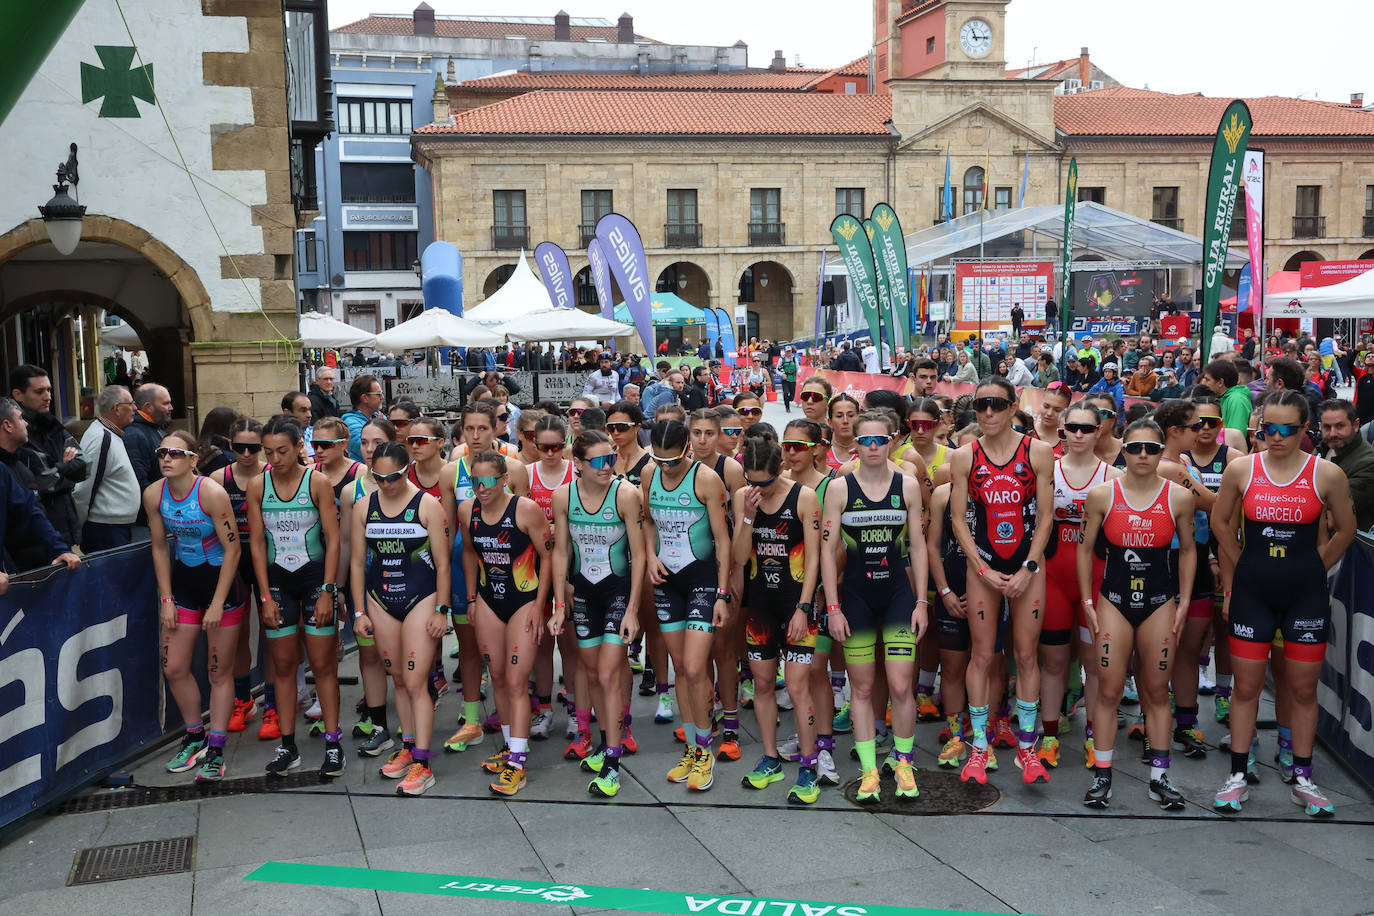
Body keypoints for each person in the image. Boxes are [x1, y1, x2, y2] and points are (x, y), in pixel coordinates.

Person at [1211, 390, 1355, 816]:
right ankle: (1238, 775)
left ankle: (1303, 778)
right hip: (1254, 594)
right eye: (1266, 429)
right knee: (1248, 687)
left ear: (1303, 430)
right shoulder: (1242, 469)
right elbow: (1220, 522)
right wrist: (1242, 563)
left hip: (1304, 597)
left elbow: (1345, 530)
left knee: (1302, 688)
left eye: (1285, 430)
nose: (1274, 437)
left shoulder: (1326, 474)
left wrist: (1315, 565)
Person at [1076, 417, 1195, 810]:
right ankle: (1103, 776)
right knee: (1109, 690)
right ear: (1123, 450)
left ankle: (1159, 779)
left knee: (1158, 692)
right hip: (1114, 600)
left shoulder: (1178, 496)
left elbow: (1190, 550)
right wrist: (1087, 603)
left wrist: (1184, 601)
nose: (1143, 455)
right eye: (1135, 447)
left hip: (1159, 601)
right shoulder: (1102, 495)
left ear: (1163, 452)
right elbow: (1083, 549)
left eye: (1152, 448)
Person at [948, 376, 1055, 786]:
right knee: (982, 657)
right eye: (980, 406)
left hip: (1029, 565)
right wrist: (982, 568)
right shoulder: (965, 456)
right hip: (984, 566)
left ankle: (1027, 750)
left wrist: (1028, 567)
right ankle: (979, 747)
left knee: (1026, 656)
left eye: (996, 404)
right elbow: (958, 519)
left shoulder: (1038, 451)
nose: (988, 412)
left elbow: (1045, 516)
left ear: (1013, 407)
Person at [820, 409, 929, 801]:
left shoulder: (909, 485)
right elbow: (827, 552)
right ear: (855, 444)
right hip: (857, 598)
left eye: (879, 440)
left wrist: (921, 602)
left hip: (899, 594)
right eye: (863, 440)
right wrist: (833, 608)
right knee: (862, 688)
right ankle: (869, 771)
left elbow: (917, 546)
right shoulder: (840, 488)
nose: (871, 447)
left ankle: (903, 762)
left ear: (893, 440)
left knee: (901, 684)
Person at [548, 430, 646, 797]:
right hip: (584, 594)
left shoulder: (625, 494)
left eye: (613, 458)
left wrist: (633, 611)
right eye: (601, 461)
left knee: (606, 674)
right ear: (579, 465)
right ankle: (605, 745)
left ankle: (612, 760)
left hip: (618, 592)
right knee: (589, 672)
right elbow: (561, 552)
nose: (609, 466)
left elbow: (639, 556)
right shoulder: (564, 496)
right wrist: (560, 604)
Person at [145, 429, 246, 782]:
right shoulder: (154, 494)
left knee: (218, 672)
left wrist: (218, 603)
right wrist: (167, 598)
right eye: (161, 453)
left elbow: (233, 549)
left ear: (192, 460)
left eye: (175, 453)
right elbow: (159, 547)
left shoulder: (211, 494)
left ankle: (216, 749)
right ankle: (195, 736)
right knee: (173, 667)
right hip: (184, 582)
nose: (166, 459)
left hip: (222, 583)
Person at [247, 416, 343, 778]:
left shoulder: (316, 482)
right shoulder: (259, 485)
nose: (275, 458)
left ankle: (333, 744)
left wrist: (329, 590)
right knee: (284, 666)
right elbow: (256, 542)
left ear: (298, 447)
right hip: (277, 582)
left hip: (315, 579)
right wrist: (263, 596)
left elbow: (333, 539)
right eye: (268, 452)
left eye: (282, 451)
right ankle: (288, 745)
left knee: (323, 665)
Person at [352, 441, 450, 796]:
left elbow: (442, 563)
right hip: (381, 599)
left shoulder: (427, 505)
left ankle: (423, 764)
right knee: (397, 675)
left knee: (414, 679)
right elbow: (356, 563)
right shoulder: (364, 506)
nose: (385, 484)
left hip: (420, 598)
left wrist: (442, 609)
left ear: (406, 471)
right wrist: (359, 610)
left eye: (392, 477)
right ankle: (408, 746)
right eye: (378, 478)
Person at [642, 419, 733, 792]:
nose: (665, 468)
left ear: (688, 452)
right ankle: (694, 747)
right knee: (680, 667)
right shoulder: (650, 475)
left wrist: (723, 593)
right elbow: (647, 521)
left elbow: (723, 541)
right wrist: (649, 556)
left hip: (701, 579)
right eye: (659, 462)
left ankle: (705, 749)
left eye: (672, 462)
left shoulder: (706, 479)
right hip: (667, 580)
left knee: (696, 667)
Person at [732, 436, 824, 802]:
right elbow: (740, 557)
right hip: (761, 607)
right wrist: (748, 518)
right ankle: (770, 758)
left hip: (796, 603)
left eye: (765, 483)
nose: (757, 489)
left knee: (798, 686)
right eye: (751, 481)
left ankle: (808, 764)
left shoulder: (804, 497)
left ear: (781, 470)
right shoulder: (744, 498)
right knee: (764, 683)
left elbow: (814, 559)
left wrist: (804, 609)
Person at [459, 450, 552, 796]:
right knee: (496, 675)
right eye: (474, 482)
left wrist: (540, 607)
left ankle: (517, 762)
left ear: (503, 480)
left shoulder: (525, 509)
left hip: (523, 600)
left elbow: (547, 555)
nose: (480, 489)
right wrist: (471, 597)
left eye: (487, 482)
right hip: (488, 598)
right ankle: (513, 745)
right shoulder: (467, 510)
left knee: (515, 680)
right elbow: (469, 552)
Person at [9, 366, 86, 548]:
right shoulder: (16, 433)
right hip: (39, 539)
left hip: (67, 528)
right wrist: (65, 468)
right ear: (18, 394)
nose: (48, 396)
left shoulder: (52, 423)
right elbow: (41, 481)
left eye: (49, 389)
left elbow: (84, 465)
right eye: (39, 391)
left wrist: (58, 469)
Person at [72, 385, 140, 551]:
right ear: (117, 408)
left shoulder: (109, 433)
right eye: (130, 404)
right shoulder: (102, 438)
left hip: (113, 528)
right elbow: (84, 488)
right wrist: (79, 527)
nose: (135, 408)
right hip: (105, 531)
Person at [1319, 399, 1374, 531]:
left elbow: (1339, 507)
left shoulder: (1368, 463)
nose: (1332, 433)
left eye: (1339, 426)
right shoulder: (1321, 450)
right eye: (1327, 427)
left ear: (1355, 425)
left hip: (1351, 544)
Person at [1201, 359, 1250, 433]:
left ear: (1220, 382)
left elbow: (1235, 436)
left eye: (1208, 380)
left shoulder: (1237, 400)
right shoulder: (1223, 398)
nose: (1204, 383)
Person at [342, 374, 384, 460]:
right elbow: (372, 453)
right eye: (379, 394)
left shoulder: (379, 417)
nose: (382, 397)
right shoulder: (350, 424)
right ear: (365, 398)